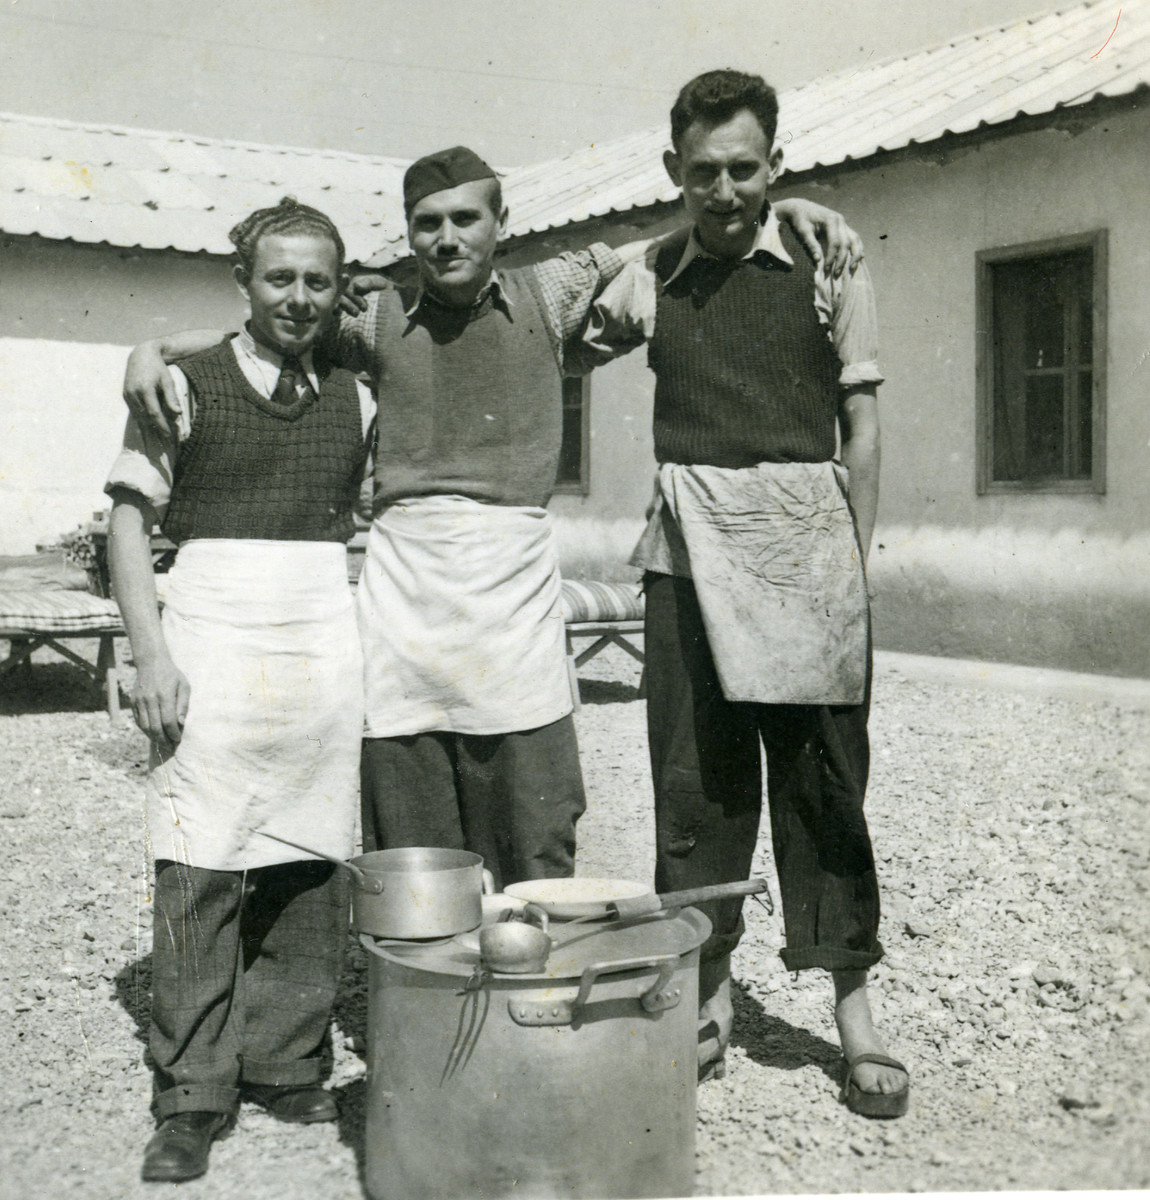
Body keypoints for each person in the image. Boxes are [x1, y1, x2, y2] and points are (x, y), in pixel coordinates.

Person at [121, 148, 862, 894]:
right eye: (427, 224)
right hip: (405, 615)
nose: (447, 239)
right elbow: (269, 331)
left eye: (466, 219)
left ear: (500, 222)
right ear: (408, 232)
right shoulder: (372, 316)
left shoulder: (551, 291)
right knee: (413, 859)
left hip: (515, 612)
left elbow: (668, 243)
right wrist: (154, 349)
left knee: (536, 843)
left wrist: (783, 211)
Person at [582, 69, 908, 1117]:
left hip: (808, 552)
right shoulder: (651, 276)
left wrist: (852, 568)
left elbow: (862, 428)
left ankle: (853, 1011)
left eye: (745, 169)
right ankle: (710, 993)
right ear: (672, 172)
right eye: (702, 173)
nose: (724, 191)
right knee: (696, 787)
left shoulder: (830, 261)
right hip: (687, 554)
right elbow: (546, 328)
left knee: (825, 786)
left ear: (775, 163)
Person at [106, 198, 376, 1182]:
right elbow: (127, 524)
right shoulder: (181, 386)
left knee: (308, 863)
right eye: (279, 277)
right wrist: (151, 657)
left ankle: (285, 1060)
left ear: (338, 291)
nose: (298, 297)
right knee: (200, 863)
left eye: (317, 280)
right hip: (211, 640)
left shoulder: (359, 396)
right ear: (244, 284)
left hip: (317, 646)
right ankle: (192, 1090)